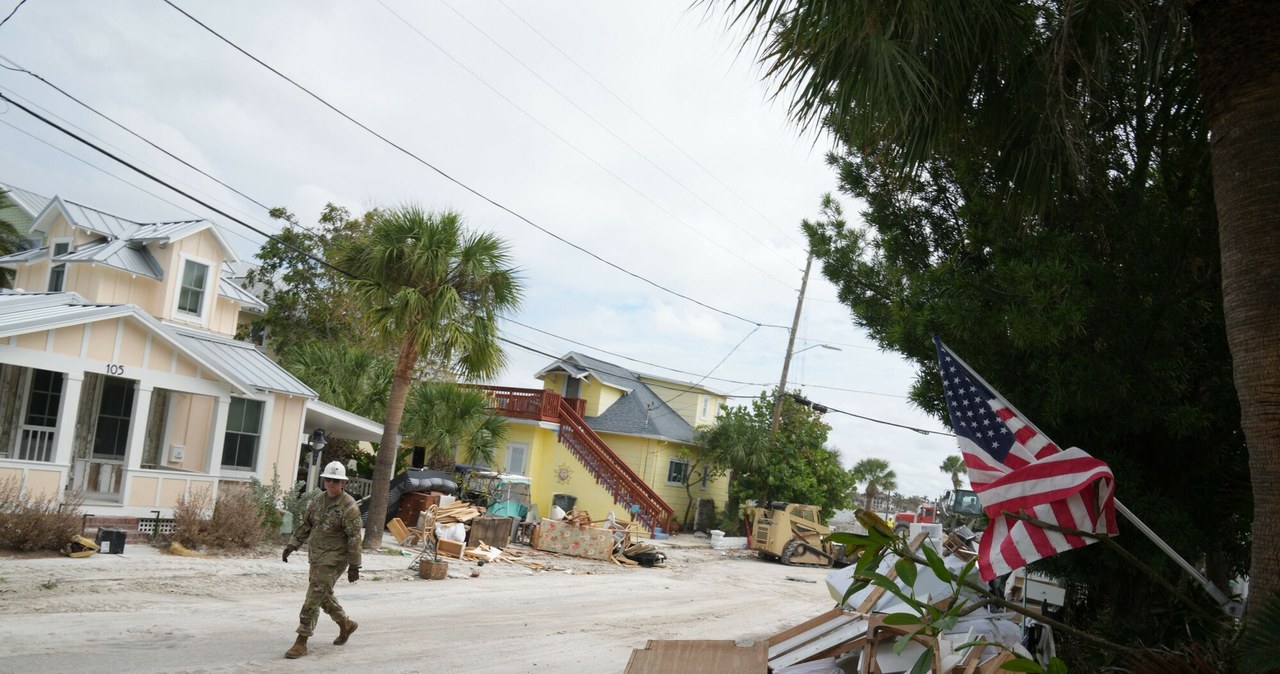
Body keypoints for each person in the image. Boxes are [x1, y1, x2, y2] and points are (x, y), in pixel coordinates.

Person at [281, 461, 362, 659]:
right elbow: (306, 525)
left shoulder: (349, 506)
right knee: (322, 594)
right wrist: (292, 545)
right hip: (316, 555)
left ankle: (302, 641)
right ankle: (345, 623)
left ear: (342, 483)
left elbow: (354, 537)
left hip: (335, 558)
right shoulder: (317, 500)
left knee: (314, 595)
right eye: (328, 480)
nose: (331, 484)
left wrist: (354, 565)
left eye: (335, 481)